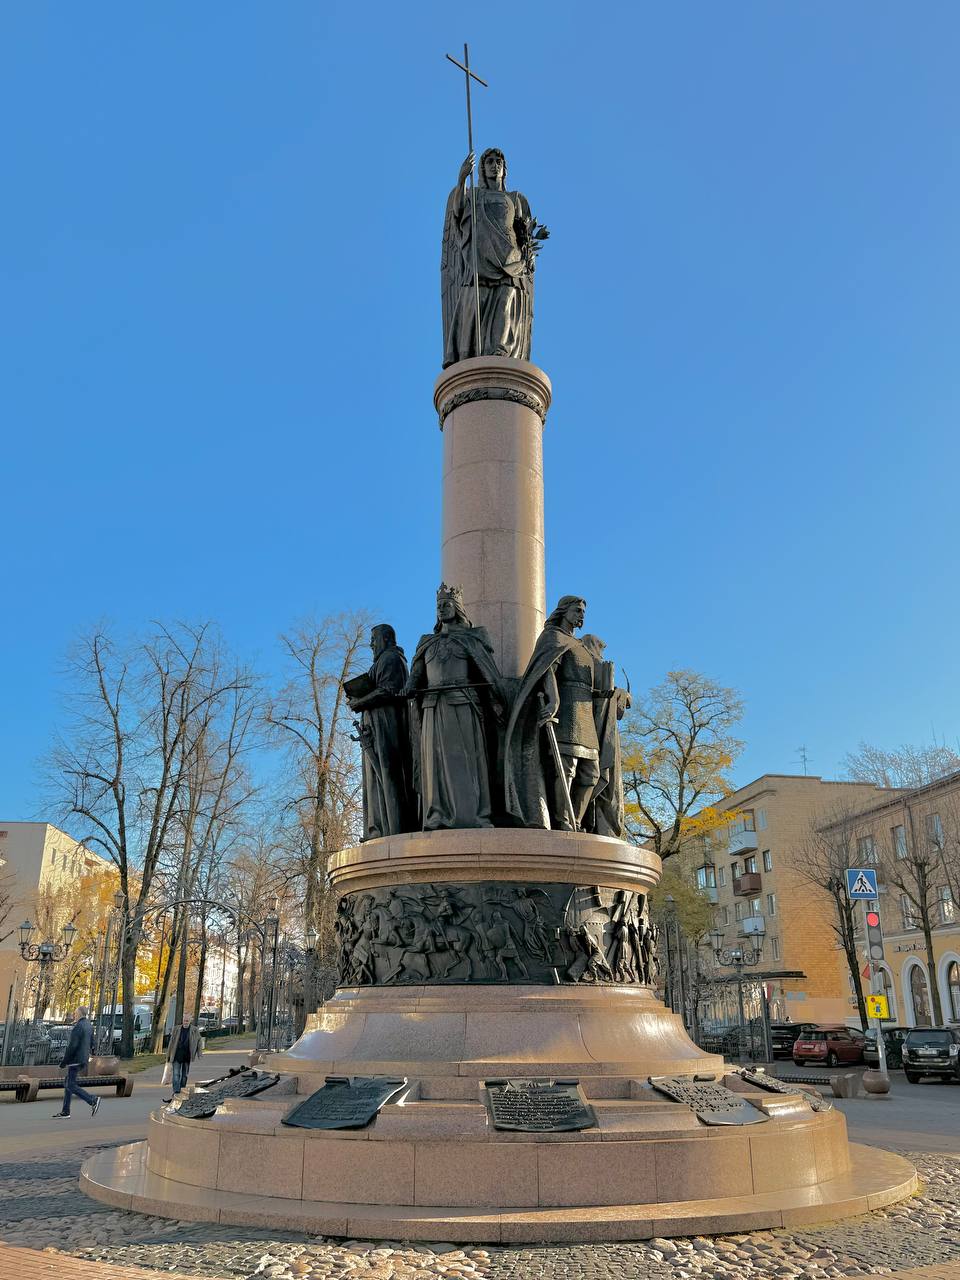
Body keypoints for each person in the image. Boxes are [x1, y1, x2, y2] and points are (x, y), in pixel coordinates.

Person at [405, 584, 506, 829]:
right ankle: (436, 815)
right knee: (435, 762)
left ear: (458, 607)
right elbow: (416, 675)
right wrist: (410, 686)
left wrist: (496, 700)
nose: (441, 609)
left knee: (466, 760)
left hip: (462, 703)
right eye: (438, 606)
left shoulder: (472, 638)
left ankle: (476, 815)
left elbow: (486, 672)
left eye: (446, 604)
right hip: (432, 707)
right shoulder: (427, 642)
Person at [440, 148, 545, 366]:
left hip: (510, 261)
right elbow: (458, 212)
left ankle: (500, 350)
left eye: (499, 162)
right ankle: (471, 351)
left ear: (504, 170)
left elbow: (523, 232)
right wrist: (462, 179)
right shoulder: (474, 195)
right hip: (480, 260)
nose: (495, 166)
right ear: (482, 169)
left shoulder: (515, 199)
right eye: (489, 162)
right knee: (476, 305)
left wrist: (528, 256)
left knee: (505, 303)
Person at [504, 596, 602, 830]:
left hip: (585, 711)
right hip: (567, 710)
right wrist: (553, 698)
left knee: (591, 773)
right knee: (567, 768)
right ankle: (563, 820)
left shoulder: (580, 645)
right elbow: (548, 669)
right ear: (563, 611)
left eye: (583, 612)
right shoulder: (553, 637)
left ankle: (575, 819)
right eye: (577, 610)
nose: (581, 615)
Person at [347, 623, 418, 840]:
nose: (371, 644)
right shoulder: (380, 662)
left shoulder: (391, 659)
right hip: (375, 726)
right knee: (376, 778)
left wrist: (360, 702)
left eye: (374, 639)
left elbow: (389, 690)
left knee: (388, 774)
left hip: (387, 725)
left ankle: (393, 827)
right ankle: (378, 828)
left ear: (386, 639)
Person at [52, 1005, 100, 1119]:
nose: (74, 1015)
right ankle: (65, 1111)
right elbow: (92, 1042)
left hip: (75, 1060)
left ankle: (92, 1100)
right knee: (68, 1082)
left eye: (75, 1013)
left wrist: (63, 1062)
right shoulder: (89, 1025)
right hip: (83, 1059)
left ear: (80, 1014)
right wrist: (91, 1053)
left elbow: (72, 1047)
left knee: (70, 1085)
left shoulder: (78, 1027)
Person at [163, 1013, 203, 1101]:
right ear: (182, 1020)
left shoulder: (194, 1030)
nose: (185, 1022)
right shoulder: (176, 1029)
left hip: (187, 1055)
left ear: (190, 1021)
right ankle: (176, 1091)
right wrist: (168, 1055)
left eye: (187, 1021)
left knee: (185, 1075)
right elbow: (171, 1042)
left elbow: (199, 1041)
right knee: (176, 1074)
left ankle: (182, 1089)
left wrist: (199, 1053)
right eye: (184, 1020)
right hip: (177, 1054)